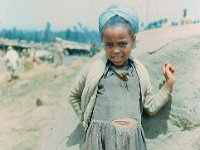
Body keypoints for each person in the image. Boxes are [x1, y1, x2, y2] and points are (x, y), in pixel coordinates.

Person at [68, 5, 175, 150]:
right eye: (109, 45)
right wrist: (85, 118)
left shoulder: (140, 72)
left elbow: (150, 106)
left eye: (122, 44)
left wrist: (168, 84)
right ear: (103, 42)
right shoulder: (94, 70)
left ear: (133, 40)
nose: (116, 50)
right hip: (100, 142)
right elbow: (74, 95)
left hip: (132, 143)